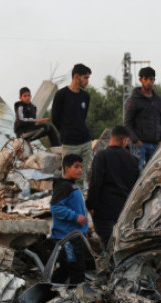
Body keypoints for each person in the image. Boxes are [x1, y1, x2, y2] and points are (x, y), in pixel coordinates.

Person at [86, 125, 139, 247]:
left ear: (112, 137)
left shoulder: (101, 156)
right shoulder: (133, 160)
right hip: (124, 211)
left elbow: (95, 183)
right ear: (125, 140)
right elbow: (136, 188)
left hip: (104, 211)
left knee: (108, 246)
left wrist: (90, 205)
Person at [51, 64, 93, 189]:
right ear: (76, 77)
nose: (87, 81)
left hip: (85, 142)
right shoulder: (61, 95)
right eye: (85, 78)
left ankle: (78, 205)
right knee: (68, 180)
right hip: (69, 144)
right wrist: (66, 133)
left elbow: (82, 117)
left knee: (80, 178)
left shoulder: (85, 96)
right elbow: (55, 118)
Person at [49, 154, 89, 284]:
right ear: (66, 168)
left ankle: (52, 291)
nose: (80, 170)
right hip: (66, 238)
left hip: (75, 236)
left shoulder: (72, 185)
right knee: (76, 270)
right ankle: (76, 297)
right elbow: (55, 208)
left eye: (81, 167)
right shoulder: (63, 187)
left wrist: (84, 231)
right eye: (76, 167)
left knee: (67, 268)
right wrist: (75, 217)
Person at [123, 66, 161, 171]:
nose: (149, 82)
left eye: (151, 79)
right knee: (138, 172)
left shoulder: (158, 100)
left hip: (155, 145)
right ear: (141, 80)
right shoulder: (133, 100)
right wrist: (136, 141)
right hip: (139, 144)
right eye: (146, 79)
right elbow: (127, 123)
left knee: (154, 173)